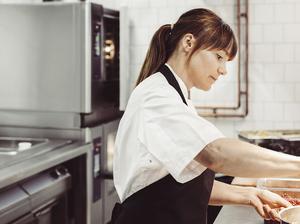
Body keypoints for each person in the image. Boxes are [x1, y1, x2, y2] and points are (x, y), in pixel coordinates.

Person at [112, 8, 300, 224]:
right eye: (219, 57)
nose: (223, 70)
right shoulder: (156, 96)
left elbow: (179, 187)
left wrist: (249, 195)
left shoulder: (177, 97)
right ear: (188, 43)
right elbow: (216, 153)